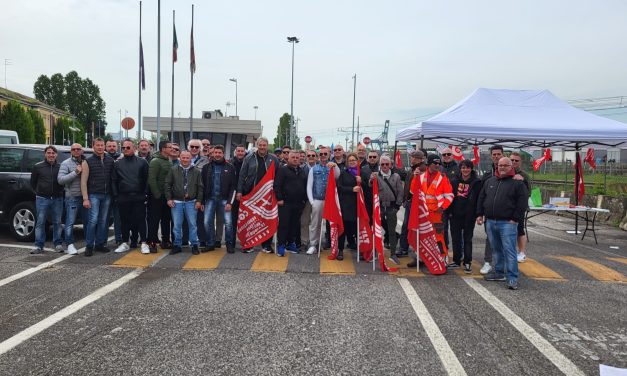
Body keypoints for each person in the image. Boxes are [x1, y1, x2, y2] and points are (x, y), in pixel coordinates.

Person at [476, 157, 528, 290]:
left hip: (507, 223)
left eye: (506, 165)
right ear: (497, 166)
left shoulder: (518, 183)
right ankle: (499, 273)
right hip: (491, 221)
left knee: (509, 251)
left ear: (511, 167)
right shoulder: (490, 181)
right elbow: (482, 197)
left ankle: (512, 278)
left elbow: (522, 203)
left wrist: (514, 219)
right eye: (500, 165)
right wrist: (480, 214)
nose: (502, 167)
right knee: (496, 249)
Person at [236, 137, 279, 253]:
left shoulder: (273, 159)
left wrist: (277, 194)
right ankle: (249, 244)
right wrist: (239, 191)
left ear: (267, 146)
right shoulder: (248, 158)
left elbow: (278, 177)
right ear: (257, 145)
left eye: (264, 145)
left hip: (267, 195)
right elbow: (242, 175)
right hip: (251, 194)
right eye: (260, 145)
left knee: (266, 219)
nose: (262, 147)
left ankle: (266, 245)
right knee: (251, 220)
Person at [112, 139, 150, 254]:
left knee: (141, 220)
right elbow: (114, 181)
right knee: (124, 221)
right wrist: (116, 196)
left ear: (134, 148)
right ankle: (124, 242)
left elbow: (147, 179)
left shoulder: (142, 162)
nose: (125, 150)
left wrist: (145, 194)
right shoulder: (117, 163)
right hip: (123, 197)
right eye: (123, 148)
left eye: (128, 147)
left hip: (139, 196)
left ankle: (143, 242)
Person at [81, 138, 115, 256]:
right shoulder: (87, 161)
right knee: (93, 220)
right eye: (98, 145)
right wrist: (85, 198)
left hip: (107, 195)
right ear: (93, 146)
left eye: (102, 145)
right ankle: (89, 246)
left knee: (103, 221)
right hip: (93, 195)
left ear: (104, 147)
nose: (100, 147)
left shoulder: (110, 161)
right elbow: (83, 181)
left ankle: (100, 244)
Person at [165, 150, 204, 255]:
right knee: (177, 225)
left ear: (191, 158)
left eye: (187, 158)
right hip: (176, 202)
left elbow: (200, 187)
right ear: (180, 157)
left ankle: (194, 245)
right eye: (183, 157)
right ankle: (177, 245)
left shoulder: (196, 171)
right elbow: (167, 185)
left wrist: (199, 201)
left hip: (191, 202)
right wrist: (169, 199)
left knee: (192, 224)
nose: (185, 160)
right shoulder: (173, 170)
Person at [448, 159, 482, 273]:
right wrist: (450, 212)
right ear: (460, 169)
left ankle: (467, 262)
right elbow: (450, 197)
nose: (465, 170)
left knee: (467, 239)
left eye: (467, 167)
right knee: (456, 239)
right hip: (455, 215)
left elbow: (479, 200)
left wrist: (478, 214)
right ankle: (456, 260)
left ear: (471, 168)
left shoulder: (477, 182)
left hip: (469, 216)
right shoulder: (454, 181)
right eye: (463, 167)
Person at [202, 145, 237, 253]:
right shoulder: (206, 167)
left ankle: (229, 244)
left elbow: (233, 187)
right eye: (215, 153)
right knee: (207, 222)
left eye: (219, 153)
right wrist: (202, 201)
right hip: (210, 199)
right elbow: (202, 185)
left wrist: (230, 202)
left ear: (223, 154)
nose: (217, 155)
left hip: (225, 200)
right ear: (213, 154)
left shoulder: (230, 167)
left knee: (228, 223)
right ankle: (210, 243)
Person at [420, 154, 454, 261]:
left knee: (439, 237)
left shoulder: (443, 178)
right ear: (428, 164)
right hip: (424, 213)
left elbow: (450, 196)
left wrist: (442, 208)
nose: (437, 165)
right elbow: (416, 194)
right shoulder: (421, 177)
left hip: (437, 213)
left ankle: (443, 258)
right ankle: (424, 257)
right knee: (424, 236)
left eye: (439, 163)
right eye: (435, 163)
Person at [306, 146, 340, 255]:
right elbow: (309, 186)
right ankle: (313, 244)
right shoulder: (313, 169)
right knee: (315, 224)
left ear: (329, 155)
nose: (323, 156)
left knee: (333, 224)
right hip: (317, 200)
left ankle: (334, 244)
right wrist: (312, 202)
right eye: (321, 154)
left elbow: (337, 176)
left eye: (325, 154)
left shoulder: (332, 167)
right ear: (318, 156)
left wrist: (335, 167)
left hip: (330, 201)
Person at [31, 145, 64, 254]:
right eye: (49, 153)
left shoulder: (60, 167)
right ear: (45, 154)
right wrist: (39, 193)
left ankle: (58, 244)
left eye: (53, 153)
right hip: (42, 198)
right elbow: (33, 183)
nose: (51, 155)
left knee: (57, 222)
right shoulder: (37, 167)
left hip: (57, 198)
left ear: (56, 155)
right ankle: (38, 246)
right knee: (40, 222)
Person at [369, 155, 403, 264]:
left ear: (390, 165)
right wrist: (371, 179)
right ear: (380, 165)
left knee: (392, 231)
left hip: (391, 207)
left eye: (386, 164)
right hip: (379, 206)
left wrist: (397, 206)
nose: (384, 166)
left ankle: (393, 254)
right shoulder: (376, 176)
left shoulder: (396, 176)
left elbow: (400, 192)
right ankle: (375, 252)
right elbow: (370, 185)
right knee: (376, 230)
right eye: (382, 164)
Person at [274, 150, 308, 256]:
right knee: (284, 225)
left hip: (298, 203)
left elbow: (305, 186)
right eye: (293, 157)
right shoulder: (282, 170)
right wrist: (279, 198)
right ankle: (281, 245)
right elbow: (277, 185)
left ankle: (291, 243)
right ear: (288, 158)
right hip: (285, 203)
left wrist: (304, 200)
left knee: (294, 225)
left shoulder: (302, 171)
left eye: (297, 158)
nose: (295, 159)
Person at [336, 153, 368, 260]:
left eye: (354, 160)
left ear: (357, 161)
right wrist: (351, 189)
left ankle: (361, 249)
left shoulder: (362, 173)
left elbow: (368, 188)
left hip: (358, 206)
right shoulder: (343, 173)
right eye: (350, 161)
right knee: (343, 228)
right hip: (346, 205)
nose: (352, 162)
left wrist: (361, 182)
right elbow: (339, 188)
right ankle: (340, 250)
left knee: (357, 228)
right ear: (347, 162)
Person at [57, 143, 86, 255]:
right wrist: (75, 173)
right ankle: (69, 244)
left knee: (88, 222)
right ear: (71, 151)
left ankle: (89, 243)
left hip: (85, 197)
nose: (76, 151)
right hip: (72, 197)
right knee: (70, 222)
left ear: (82, 151)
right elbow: (60, 180)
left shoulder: (85, 162)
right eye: (73, 149)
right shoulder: (65, 163)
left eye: (78, 149)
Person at [480, 145, 504, 274]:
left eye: (498, 154)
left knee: (505, 239)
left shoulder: (512, 173)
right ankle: (488, 262)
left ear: (502, 154)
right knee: (490, 238)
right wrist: (480, 213)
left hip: (506, 215)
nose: (496, 156)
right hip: (490, 214)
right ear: (491, 156)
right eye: (494, 154)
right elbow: (482, 195)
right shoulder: (487, 175)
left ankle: (502, 264)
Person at [399, 150, 426, 266]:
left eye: (415, 157)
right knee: (406, 226)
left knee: (412, 226)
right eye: (412, 157)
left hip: (417, 203)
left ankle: (415, 252)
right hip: (409, 202)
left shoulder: (421, 170)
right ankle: (404, 248)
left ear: (421, 159)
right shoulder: (411, 169)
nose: (412, 159)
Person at [147, 141, 174, 252]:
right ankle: (152, 242)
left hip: (167, 196)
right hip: (157, 197)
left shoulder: (169, 161)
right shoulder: (155, 161)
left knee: (166, 220)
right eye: (170, 147)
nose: (172, 149)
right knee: (154, 220)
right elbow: (151, 179)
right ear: (163, 149)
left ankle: (165, 241)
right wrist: (157, 194)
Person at [510, 152, 531, 263]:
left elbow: (528, 193)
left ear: (520, 162)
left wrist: (521, 181)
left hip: (518, 208)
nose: (514, 162)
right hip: (507, 207)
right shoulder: (506, 172)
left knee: (519, 230)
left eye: (516, 160)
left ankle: (521, 252)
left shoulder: (524, 175)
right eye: (512, 160)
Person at [439, 147, 460, 252]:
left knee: (456, 231)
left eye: (448, 154)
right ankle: (444, 250)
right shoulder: (438, 168)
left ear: (452, 155)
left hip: (455, 205)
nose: (446, 156)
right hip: (442, 205)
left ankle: (458, 254)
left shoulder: (459, 168)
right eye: (444, 154)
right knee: (442, 229)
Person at [299, 150, 318, 250]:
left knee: (317, 221)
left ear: (316, 157)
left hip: (318, 199)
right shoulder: (301, 169)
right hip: (306, 199)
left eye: (313, 155)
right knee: (304, 221)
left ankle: (316, 242)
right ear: (306, 157)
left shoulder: (321, 168)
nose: (311, 157)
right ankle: (304, 241)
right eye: (309, 155)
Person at [106, 140, 122, 245]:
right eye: (109, 146)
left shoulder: (122, 158)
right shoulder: (103, 158)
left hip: (118, 193)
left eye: (113, 146)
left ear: (117, 147)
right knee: (104, 218)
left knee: (118, 218)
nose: (112, 148)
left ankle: (118, 239)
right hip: (105, 193)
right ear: (106, 147)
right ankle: (102, 240)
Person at [231, 144, 247, 238]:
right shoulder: (230, 163)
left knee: (245, 220)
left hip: (245, 195)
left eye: (242, 151)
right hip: (233, 195)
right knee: (232, 220)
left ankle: (245, 241)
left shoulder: (248, 163)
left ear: (245, 152)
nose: (240, 153)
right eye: (239, 151)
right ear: (236, 152)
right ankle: (231, 242)